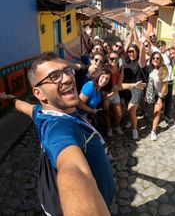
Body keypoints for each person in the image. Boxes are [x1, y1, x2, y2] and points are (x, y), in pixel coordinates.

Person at [0, 52, 114, 215]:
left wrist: (11, 99)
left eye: (67, 71)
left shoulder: (41, 113)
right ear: (39, 93)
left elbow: (25, 107)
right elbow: (73, 169)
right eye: (54, 76)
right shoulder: (59, 128)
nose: (68, 79)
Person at [121, 44, 147, 140]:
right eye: (129, 51)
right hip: (127, 88)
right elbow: (125, 46)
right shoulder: (124, 62)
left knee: (131, 109)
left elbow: (142, 53)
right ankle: (131, 120)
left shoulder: (140, 62)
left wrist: (141, 42)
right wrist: (131, 31)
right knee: (130, 109)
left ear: (137, 52)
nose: (131, 53)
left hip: (137, 88)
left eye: (133, 51)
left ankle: (134, 129)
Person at [146, 52, 168, 141]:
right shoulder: (149, 68)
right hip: (152, 92)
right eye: (153, 58)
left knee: (157, 110)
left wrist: (160, 98)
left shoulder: (163, 69)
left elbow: (165, 86)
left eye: (157, 58)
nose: (155, 60)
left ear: (161, 60)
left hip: (160, 93)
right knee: (152, 109)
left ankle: (153, 131)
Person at [106, 51, 124, 137]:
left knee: (119, 114)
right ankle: (109, 127)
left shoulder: (120, 70)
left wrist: (113, 93)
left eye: (115, 59)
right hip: (105, 93)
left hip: (115, 92)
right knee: (106, 112)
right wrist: (106, 97)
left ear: (118, 59)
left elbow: (119, 85)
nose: (113, 60)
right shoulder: (105, 68)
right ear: (108, 59)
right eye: (111, 59)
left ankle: (116, 125)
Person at [157, 40, 174, 122]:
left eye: (162, 45)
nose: (161, 47)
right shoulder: (158, 55)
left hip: (169, 80)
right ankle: (158, 114)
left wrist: (168, 49)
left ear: (165, 45)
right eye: (159, 46)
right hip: (161, 81)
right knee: (161, 97)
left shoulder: (168, 54)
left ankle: (167, 115)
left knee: (168, 99)